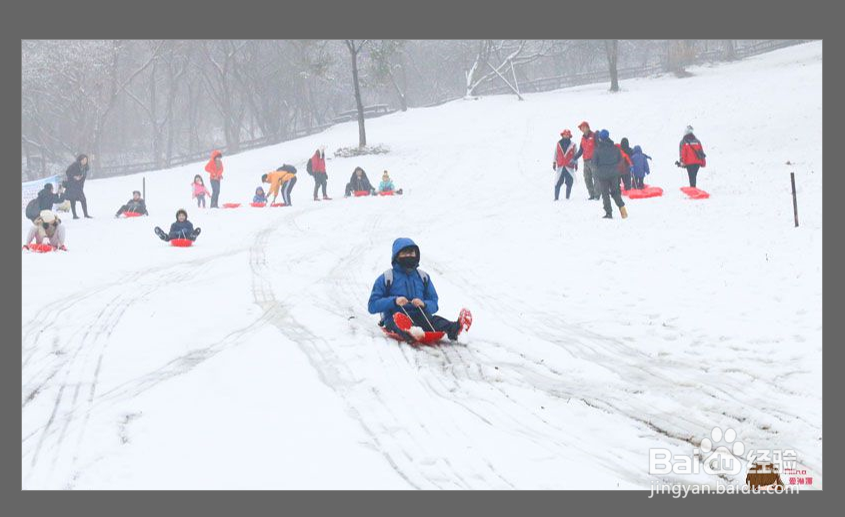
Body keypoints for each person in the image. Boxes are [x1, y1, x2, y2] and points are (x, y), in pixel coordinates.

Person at [368, 238, 472, 343]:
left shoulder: (423, 277)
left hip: (420, 316)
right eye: (405, 253)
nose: (409, 256)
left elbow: (434, 303)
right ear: (396, 256)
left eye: (411, 253)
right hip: (395, 317)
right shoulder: (387, 278)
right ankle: (410, 331)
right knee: (399, 322)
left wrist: (424, 304)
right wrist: (394, 301)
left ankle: (457, 329)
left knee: (435, 321)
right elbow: (372, 305)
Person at [593, 129, 628, 220]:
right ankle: (622, 208)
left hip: (603, 175)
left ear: (600, 138)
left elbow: (594, 163)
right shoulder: (615, 148)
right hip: (614, 174)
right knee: (615, 192)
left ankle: (609, 213)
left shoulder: (597, 150)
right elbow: (620, 160)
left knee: (605, 194)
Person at [572, 121, 599, 200]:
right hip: (586, 161)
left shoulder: (594, 136)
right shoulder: (583, 138)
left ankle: (597, 195)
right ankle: (592, 194)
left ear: (587, 127)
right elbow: (581, 150)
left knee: (596, 178)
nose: (582, 129)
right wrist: (575, 157)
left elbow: (598, 147)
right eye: (581, 128)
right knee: (587, 178)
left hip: (594, 161)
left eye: (583, 127)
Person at [552, 129, 578, 201]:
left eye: (567, 135)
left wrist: (576, 164)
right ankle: (556, 198)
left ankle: (567, 197)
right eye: (565, 134)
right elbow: (555, 153)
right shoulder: (558, 143)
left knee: (569, 182)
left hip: (569, 166)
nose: (566, 136)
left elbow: (576, 155)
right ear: (562, 135)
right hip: (560, 166)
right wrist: (554, 162)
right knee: (558, 182)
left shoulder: (573, 145)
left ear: (569, 136)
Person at [65, 154, 92, 219]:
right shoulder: (75, 165)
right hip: (72, 185)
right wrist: (74, 177)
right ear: (80, 160)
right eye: (83, 160)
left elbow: (83, 175)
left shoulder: (85, 167)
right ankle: (74, 215)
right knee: (73, 200)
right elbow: (67, 172)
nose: (85, 161)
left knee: (83, 199)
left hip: (79, 186)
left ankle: (86, 214)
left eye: (86, 160)